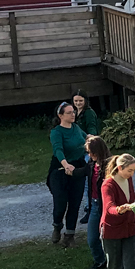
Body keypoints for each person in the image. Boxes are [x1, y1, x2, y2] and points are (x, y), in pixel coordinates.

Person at [100, 153, 135, 269]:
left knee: (130, 267)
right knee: (115, 267)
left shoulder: (128, 179)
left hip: (131, 228)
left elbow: (132, 198)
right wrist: (118, 210)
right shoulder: (107, 185)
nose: (132, 174)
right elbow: (109, 207)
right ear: (120, 168)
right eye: (129, 171)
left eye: (133, 171)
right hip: (112, 230)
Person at [47, 101, 88, 247]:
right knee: (60, 203)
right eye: (69, 112)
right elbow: (58, 150)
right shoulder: (56, 132)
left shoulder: (76, 128)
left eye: (74, 111)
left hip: (77, 168)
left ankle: (69, 235)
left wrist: (96, 142)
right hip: (60, 170)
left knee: (75, 202)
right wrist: (65, 165)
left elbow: (87, 138)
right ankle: (57, 226)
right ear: (60, 115)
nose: (73, 114)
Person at [83, 135, 110, 269]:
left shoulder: (110, 166)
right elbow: (83, 172)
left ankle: (116, 265)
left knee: (110, 239)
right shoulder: (91, 164)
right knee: (93, 239)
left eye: (90, 152)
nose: (89, 155)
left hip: (107, 206)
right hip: (95, 205)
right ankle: (100, 261)